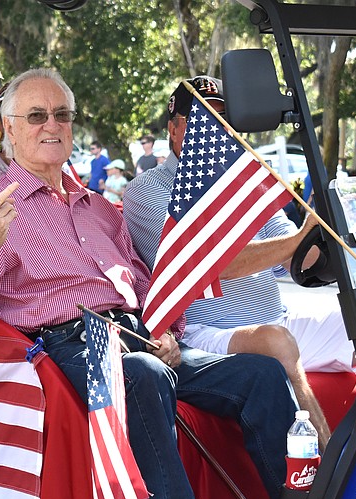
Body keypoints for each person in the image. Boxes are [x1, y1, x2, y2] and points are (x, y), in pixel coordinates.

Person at [0, 68, 296, 499]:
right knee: (140, 374)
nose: (51, 124)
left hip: (138, 335)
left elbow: (142, 281)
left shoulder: (99, 208)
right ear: (9, 127)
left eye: (61, 114)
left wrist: (165, 327)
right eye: (36, 116)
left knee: (262, 374)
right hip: (72, 345)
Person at [122, 75, 337, 448]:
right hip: (205, 332)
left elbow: (299, 258)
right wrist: (298, 239)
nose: (218, 130)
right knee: (277, 342)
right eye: (205, 120)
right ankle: (326, 468)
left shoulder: (246, 182)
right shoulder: (147, 190)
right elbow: (210, 264)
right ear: (174, 129)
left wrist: (326, 229)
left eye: (226, 120)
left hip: (277, 319)